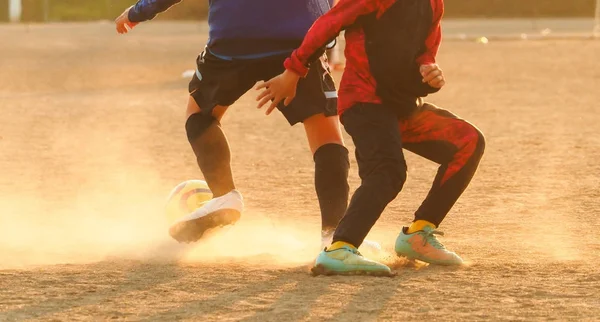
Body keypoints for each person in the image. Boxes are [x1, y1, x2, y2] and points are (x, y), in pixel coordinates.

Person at [114, 0, 380, 250]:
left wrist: (140, 10)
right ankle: (335, 236)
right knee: (325, 132)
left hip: (233, 38)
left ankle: (224, 195)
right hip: (299, 39)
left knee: (201, 113)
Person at [256, 0, 486, 275]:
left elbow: (424, 54)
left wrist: (429, 73)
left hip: (403, 107)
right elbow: (329, 23)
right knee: (387, 172)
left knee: (468, 141)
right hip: (365, 102)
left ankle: (418, 235)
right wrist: (294, 70)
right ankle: (340, 248)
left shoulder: (434, 3)